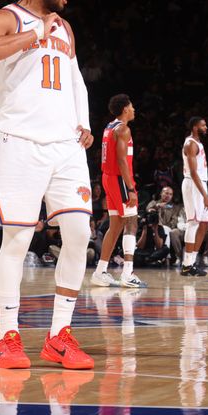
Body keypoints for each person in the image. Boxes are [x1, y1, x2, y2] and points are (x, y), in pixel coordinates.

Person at [0, 0, 94, 370]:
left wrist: (84, 120)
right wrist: (36, 33)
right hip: (19, 142)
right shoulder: (5, 17)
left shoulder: (67, 28)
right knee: (18, 240)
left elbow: (74, 79)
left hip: (64, 146)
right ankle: (8, 336)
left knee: (78, 232)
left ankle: (59, 336)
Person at [91, 94, 147, 289]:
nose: (133, 109)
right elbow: (122, 160)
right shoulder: (123, 129)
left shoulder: (109, 127)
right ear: (125, 109)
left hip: (108, 178)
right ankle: (127, 272)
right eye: (131, 106)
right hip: (119, 179)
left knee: (115, 225)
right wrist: (130, 187)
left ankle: (100, 271)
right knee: (131, 221)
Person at [180, 117, 208, 277]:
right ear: (194, 127)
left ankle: (191, 261)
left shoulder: (198, 143)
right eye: (203, 125)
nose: (206, 127)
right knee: (193, 223)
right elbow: (193, 172)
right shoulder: (190, 143)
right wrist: (205, 195)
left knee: (204, 224)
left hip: (200, 183)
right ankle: (187, 264)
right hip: (193, 184)